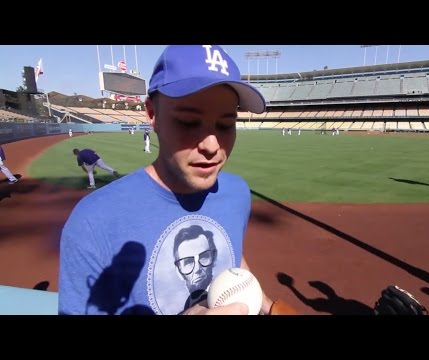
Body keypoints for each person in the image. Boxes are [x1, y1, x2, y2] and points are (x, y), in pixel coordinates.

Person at [59, 45, 277, 315]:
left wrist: (268, 305)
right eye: (188, 122)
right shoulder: (93, 221)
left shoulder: (237, 193)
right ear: (152, 114)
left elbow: (233, 257)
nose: (212, 145)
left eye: (225, 124)